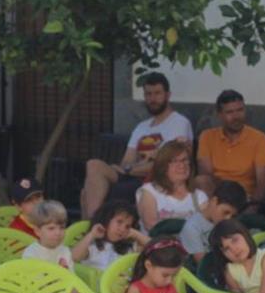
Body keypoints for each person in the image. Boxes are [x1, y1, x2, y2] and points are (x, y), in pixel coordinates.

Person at [80, 72, 193, 218]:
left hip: (154, 179)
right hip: (132, 175)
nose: (152, 99)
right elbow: (126, 161)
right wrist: (132, 167)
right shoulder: (142, 127)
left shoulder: (179, 123)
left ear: (168, 95)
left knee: (88, 193)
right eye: (148, 94)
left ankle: (93, 226)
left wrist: (129, 169)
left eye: (157, 93)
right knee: (93, 165)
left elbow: (164, 164)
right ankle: (93, 224)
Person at [197, 90, 265, 202]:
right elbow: (206, 175)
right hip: (216, 195)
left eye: (240, 110)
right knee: (201, 181)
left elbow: (261, 182)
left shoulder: (259, 138)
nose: (236, 116)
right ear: (219, 115)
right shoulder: (207, 136)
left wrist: (253, 206)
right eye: (230, 112)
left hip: (244, 197)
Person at [136, 140, 208, 233]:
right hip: (160, 244)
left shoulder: (199, 196)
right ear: (163, 166)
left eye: (185, 160)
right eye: (175, 161)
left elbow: (206, 226)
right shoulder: (149, 191)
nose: (182, 165)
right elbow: (151, 225)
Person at [180, 181, 247, 263]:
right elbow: (202, 264)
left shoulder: (228, 224)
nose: (228, 218)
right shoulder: (192, 228)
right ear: (214, 201)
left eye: (233, 216)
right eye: (225, 212)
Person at [71, 201, 147, 272]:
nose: (122, 229)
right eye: (119, 222)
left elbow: (156, 247)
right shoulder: (92, 246)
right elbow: (73, 257)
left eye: (127, 226)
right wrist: (91, 235)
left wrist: (137, 235)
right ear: (106, 219)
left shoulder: (129, 249)